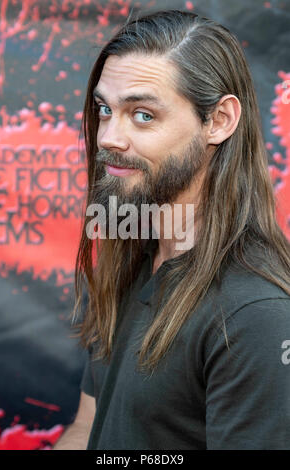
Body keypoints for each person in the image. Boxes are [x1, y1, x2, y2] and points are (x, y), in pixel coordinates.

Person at [53, 9, 290, 450]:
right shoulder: (127, 259)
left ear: (219, 121)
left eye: (142, 115)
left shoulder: (257, 313)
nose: (108, 137)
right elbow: (88, 429)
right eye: (106, 109)